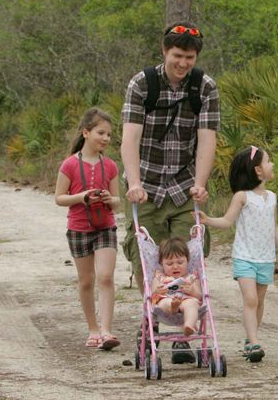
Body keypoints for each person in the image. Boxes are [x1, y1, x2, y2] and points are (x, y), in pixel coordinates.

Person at [121, 21, 220, 363]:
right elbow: (130, 137)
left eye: (189, 57)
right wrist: (133, 182)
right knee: (145, 259)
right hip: (145, 186)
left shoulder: (204, 87)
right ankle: (151, 321)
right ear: (164, 52)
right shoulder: (142, 84)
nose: (182, 63)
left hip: (182, 185)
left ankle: (184, 333)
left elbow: (208, 138)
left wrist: (201, 182)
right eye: (177, 55)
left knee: (188, 257)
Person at [198, 146, 278, 362]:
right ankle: (254, 343)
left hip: (266, 258)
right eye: (269, 161)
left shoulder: (272, 197)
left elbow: (274, 227)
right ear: (258, 171)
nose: (272, 165)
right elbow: (227, 221)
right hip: (244, 257)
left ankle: (250, 338)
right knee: (250, 299)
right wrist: (208, 220)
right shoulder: (242, 197)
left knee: (260, 300)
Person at [55, 108, 122, 350]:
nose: (105, 138)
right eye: (101, 133)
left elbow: (117, 200)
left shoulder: (111, 166)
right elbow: (59, 198)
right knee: (86, 280)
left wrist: (107, 199)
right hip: (79, 228)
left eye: (109, 135)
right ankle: (93, 328)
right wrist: (81, 197)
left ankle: (106, 330)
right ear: (86, 132)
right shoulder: (70, 165)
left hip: (106, 227)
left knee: (105, 276)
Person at [150, 237, 203, 336]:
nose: (175, 266)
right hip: (167, 300)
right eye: (169, 264)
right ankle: (173, 306)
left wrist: (192, 291)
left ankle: (188, 325)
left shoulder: (191, 277)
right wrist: (157, 291)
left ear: (187, 261)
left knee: (191, 304)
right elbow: (152, 294)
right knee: (163, 303)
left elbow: (199, 295)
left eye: (180, 262)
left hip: (185, 300)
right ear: (162, 264)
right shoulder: (160, 277)